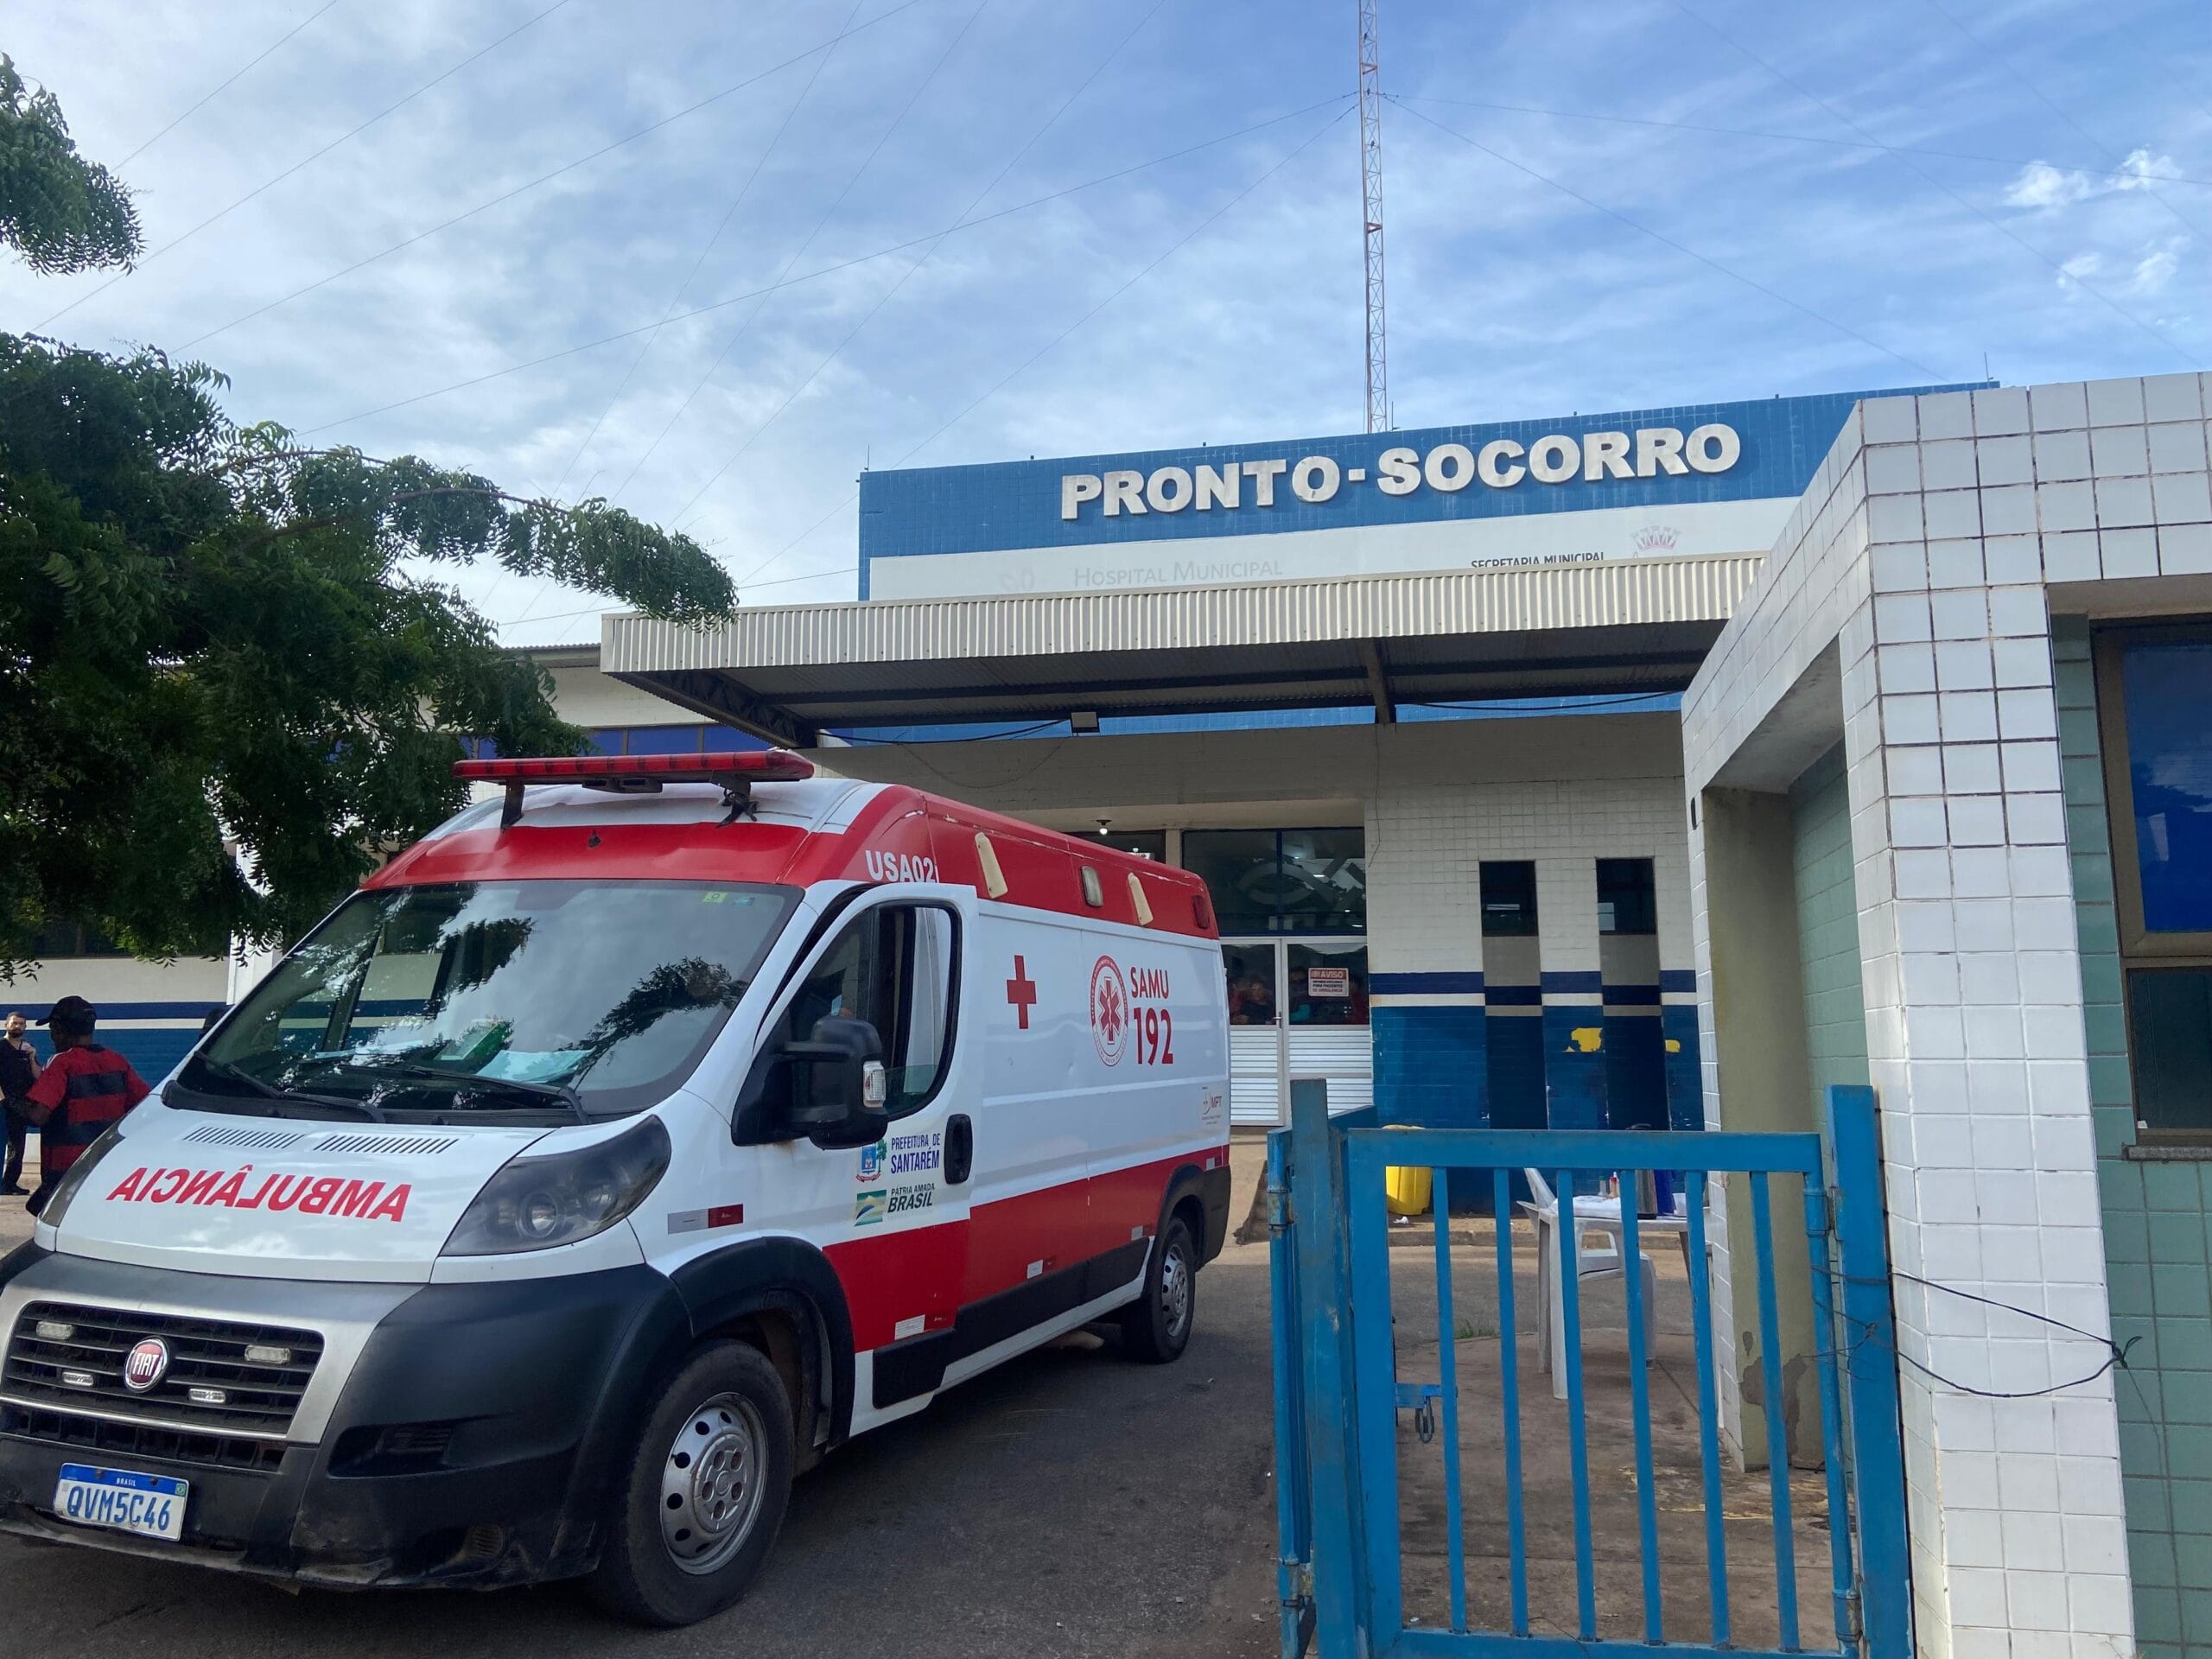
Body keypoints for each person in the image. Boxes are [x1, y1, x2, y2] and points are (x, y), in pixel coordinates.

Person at [22, 995, 149, 1217]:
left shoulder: (61, 1063)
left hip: (65, 1174)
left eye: (52, 1029)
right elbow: (143, 1107)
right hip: (105, 1166)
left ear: (59, 1030)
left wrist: (13, 1102)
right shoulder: (118, 1061)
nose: (51, 1036)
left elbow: (38, 1115)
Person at [0, 1011, 41, 1196]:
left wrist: (32, 1057)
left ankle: (10, 1184)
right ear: (6, 1025)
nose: (18, 1026)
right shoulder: (1, 1046)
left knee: (18, 1145)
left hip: (21, 1104)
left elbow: (37, 1076)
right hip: (3, 1103)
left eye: (21, 1024)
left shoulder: (27, 1049)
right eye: (14, 1023)